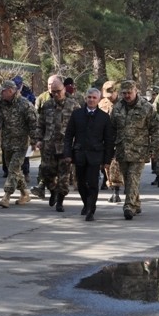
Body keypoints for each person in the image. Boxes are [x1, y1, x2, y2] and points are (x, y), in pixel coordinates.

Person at [110, 80, 159, 220]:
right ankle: (136, 202)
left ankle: (129, 206)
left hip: (139, 150)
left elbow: (156, 129)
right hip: (122, 150)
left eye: (129, 93)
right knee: (128, 179)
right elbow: (111, 129)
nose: (127, 96)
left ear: (136, 91)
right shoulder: (117, 108)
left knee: (133, 177)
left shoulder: (147, 107)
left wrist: (155, 149)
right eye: (124, 93)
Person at [63, 87, 114, 221]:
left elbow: (109, 140)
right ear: (86, 98)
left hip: (95, 156)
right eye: (89, 97)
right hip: (79, 154)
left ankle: (91, 209)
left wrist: (107, 160)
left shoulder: (104, 117)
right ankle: (86, 204)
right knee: (80, 183)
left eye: (94, 98)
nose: (91, 100)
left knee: (92, 183)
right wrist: (67, 153)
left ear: (98, 100)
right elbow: (68, 136)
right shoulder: (77, 114)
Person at [0, 80, 38, 208]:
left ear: (11, 91)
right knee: (15, 170)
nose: (1, 94)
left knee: (13, 169)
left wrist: (34, 141)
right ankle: (25, 193)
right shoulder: (2, 104)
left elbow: (33, 124)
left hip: (21, 145)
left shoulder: (25, 105)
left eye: (3, 92)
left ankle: (6, 196)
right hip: (7, 143)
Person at [35, 76, 79, 212]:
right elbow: (40, 124)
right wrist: (38, 139)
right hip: (49, 146)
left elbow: (80, 127)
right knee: (46, 172)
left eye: (58, 91)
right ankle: (53, 190)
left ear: (64, 89)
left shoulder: (73, 105)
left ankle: (60, 201)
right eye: (53, 92)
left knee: (64, 177)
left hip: (66, 147)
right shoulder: (47, 105)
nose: (56, 94)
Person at [98, 80, 123, 202]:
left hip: (121, 139)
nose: (108, 97)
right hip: (106, 140)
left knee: (116, 166)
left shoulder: (124, 103)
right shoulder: (102, 103)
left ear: (116, 92)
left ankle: (116, 191)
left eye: (111, 94)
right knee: (108, 166)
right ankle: (112, 186)